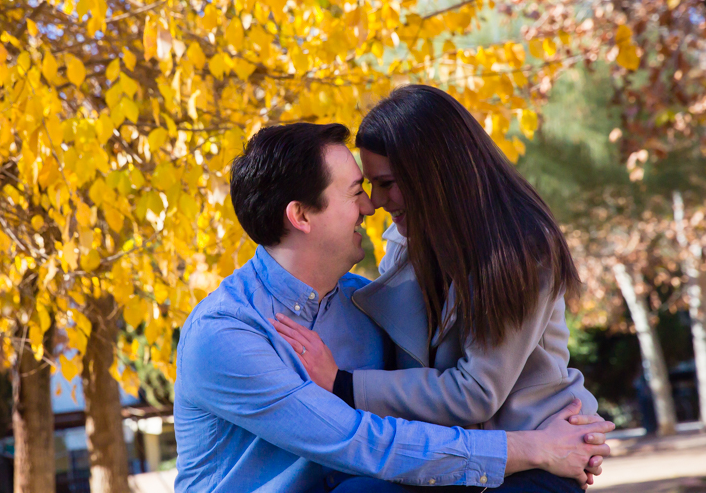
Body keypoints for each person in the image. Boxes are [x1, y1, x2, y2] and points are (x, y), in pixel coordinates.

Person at [173, 121, 613, 493]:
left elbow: (438, 394)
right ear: (302, 216)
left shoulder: (362, 304)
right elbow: (360, 442)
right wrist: (534, 448)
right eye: (355, 193)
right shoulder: (227, 333)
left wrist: (567, 427)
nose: (371, 206)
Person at [273, 85, 599, 493]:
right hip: (455, 458)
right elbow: (414, 373)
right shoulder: (405, 247)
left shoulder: (523, 249)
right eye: (370, 185)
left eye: (388, 183)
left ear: (435, 174)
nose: (376, 202)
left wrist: (342, 383)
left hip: (534, 454)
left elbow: (476, 392)